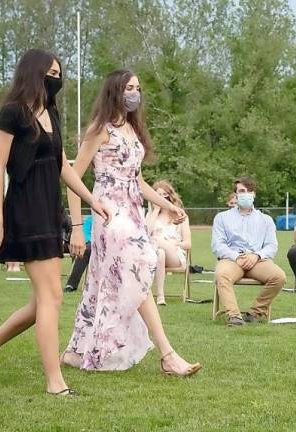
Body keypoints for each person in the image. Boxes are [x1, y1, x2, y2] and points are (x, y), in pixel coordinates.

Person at [0, 49, 109, 396]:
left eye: (59, 73)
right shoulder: (12, 113)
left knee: (44, 300)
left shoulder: (53, 113)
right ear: (33, 73)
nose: (55, 79)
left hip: (49, 210)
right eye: (50, 72)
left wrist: (91, 199)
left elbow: (62, 165)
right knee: (51, 297)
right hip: (23, 210)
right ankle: (55, 383)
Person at [61, 69, 200, 377]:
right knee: (140, 266)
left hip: (133, 211)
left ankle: (76, 350)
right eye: (129, 88)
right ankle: (168, 354)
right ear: (115, 91)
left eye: (138, 87)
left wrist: (169, 205)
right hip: (108, 212)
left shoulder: (132, 130)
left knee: (105, 279)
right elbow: (72, 177)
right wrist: (75, 228)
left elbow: (138, 181)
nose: (135, 93)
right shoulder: (100, 129)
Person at [211, 176, 286, 326]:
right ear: (236, 194)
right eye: (241, 191)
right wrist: (236, 257)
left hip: (257, 260)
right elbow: (217, 244)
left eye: (248, 191)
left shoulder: (266, 220)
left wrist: (256, 256)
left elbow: (272, 245)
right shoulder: (222, 218)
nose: (245, 194)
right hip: (231, 259)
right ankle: (234, 316)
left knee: (279, 277)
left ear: (254, 194)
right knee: (221, 275)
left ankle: (255, 312)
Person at [145, 180, 191, 306]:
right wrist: (155, 211)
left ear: (170, 196)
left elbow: (188, 244)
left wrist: (176, 244)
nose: (162, 198)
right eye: (158, 195)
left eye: (164, 195)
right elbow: (146, 233)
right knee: (160, 252)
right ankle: (160, 296)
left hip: (175, 254)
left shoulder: (180, 215)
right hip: (156, 253)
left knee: (155, 241)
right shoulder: (150, 214)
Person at [63, 214, 92, 293]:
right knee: (86, 250)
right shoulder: (90, 219)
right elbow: (85, 234)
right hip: (93, 246)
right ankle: (71, 285)